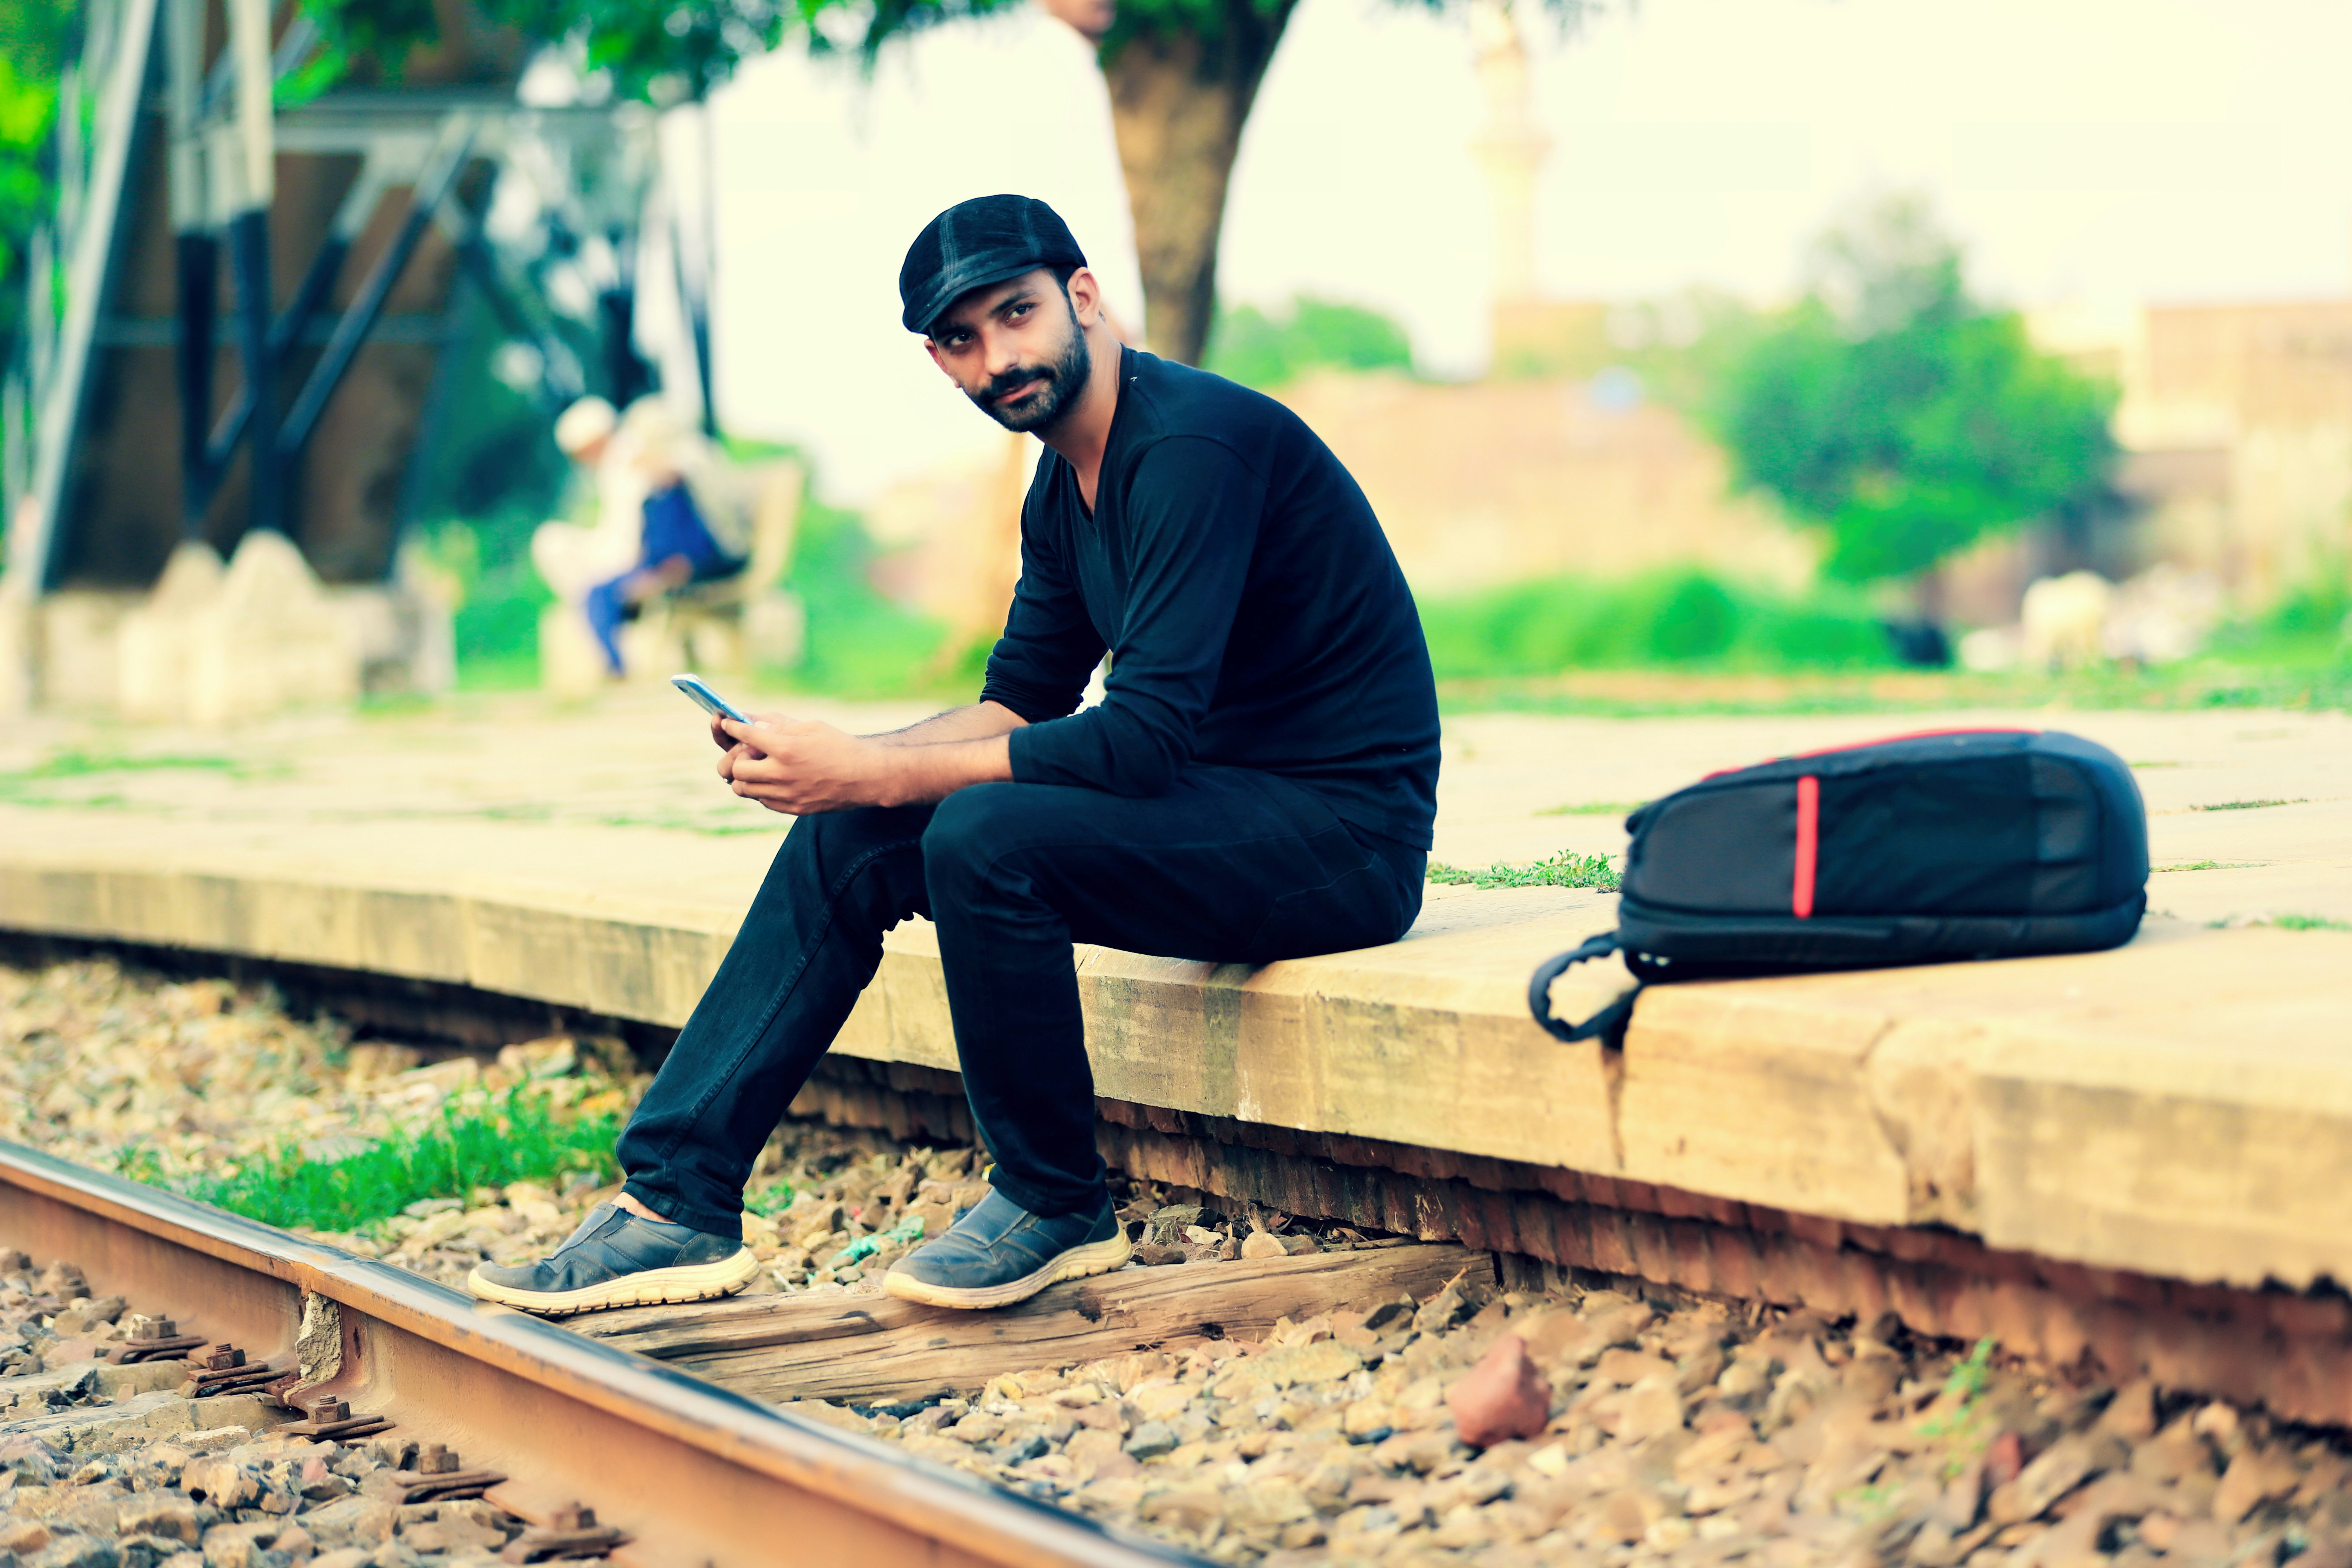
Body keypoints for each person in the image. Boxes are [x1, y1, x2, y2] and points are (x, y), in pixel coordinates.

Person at [468, 195, 1441, 1317]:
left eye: (1018, 314)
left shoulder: (1188, 448)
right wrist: (838, 763)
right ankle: (674, 1202)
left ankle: (1052, 1199)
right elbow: (1018, 705)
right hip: (1211, 807)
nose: (1001, 357)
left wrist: (881, 770)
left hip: (1337, 838)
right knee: (854, 829)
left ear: (1082, 297)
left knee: (984, 830)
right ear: (938, 361)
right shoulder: (1059, 487)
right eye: (963, 341)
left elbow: (1138, 739)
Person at [530, 396, 753, 677]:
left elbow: (704, 527)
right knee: (593, 589)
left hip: (696, 562)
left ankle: (617, 667)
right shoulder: (658, 482)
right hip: (666, 562)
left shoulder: (687, 467)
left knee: (600, 594)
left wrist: (663, 570)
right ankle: (616, 667)